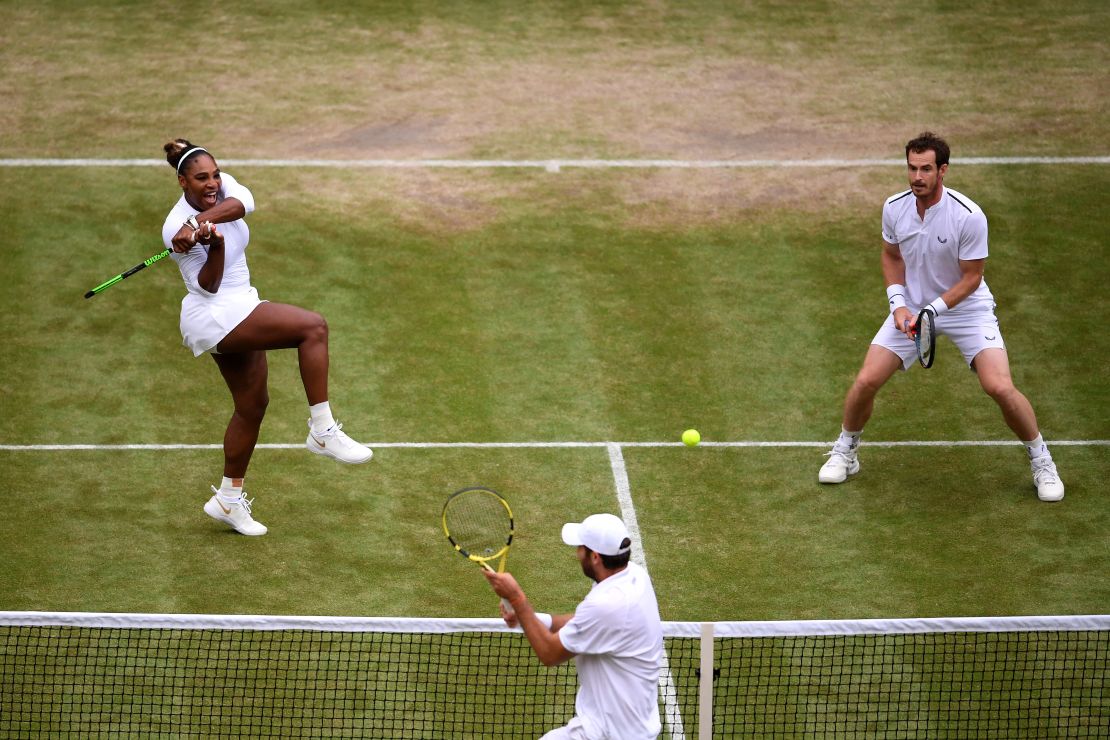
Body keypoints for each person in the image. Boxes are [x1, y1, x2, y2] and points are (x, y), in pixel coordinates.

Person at [818, 132, 1065, 502]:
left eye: (926, 169)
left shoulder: (968, 216)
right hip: (913, 309)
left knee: (998, 386)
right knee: (866, 380)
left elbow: (972, 278)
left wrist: (934, 310)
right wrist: (899, 305)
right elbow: (891, 256)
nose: (917, 176)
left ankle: (1042, 460)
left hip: (966, 310)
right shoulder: (894, 207)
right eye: (912, 168)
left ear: (942, 170)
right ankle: (846, 450)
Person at [161, 138, 373, 537]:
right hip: (216, 312)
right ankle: (323, 430)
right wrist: (213, 245)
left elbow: (245, 203)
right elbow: (207, 288)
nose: (212, 183)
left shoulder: (223, 194)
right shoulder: (173, 227)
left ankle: (227, 498)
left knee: (252, 405)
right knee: (313, 327)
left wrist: (203, 226)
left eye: (215, 174)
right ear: (182, 184)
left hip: (242, 300)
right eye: (201, 179)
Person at [483, 513, 663, 740]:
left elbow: (549, 653)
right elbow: (582, 624)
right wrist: (526, 617)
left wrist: (517, 598)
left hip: (608, 734)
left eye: (581, 547)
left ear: (595, 557)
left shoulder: (606, 605)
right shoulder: (634, 577)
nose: (577, 553)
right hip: (627, 730)